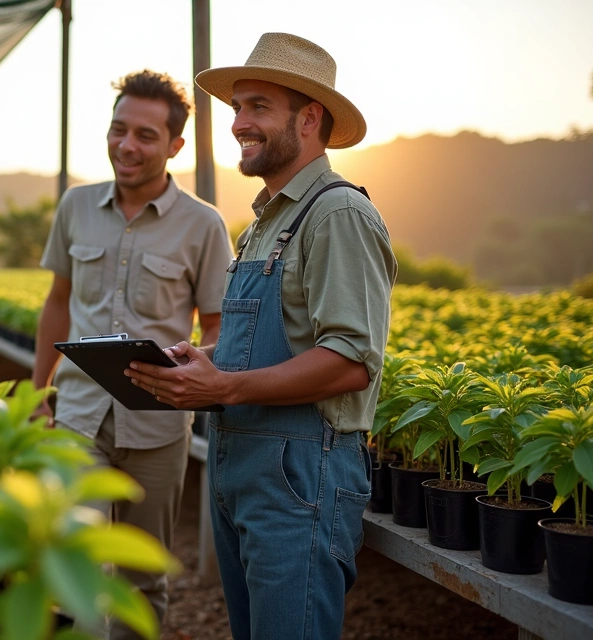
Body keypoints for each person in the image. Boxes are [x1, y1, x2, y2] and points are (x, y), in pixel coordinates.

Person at [123, 33, 398, 639]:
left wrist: (224, 384)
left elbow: (352, 361)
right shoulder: (268, 219)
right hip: (245, 462)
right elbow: (280, 341)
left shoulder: (337, 214)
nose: (238, 123)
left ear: (309, 118)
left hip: (302, 470)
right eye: (237, 108)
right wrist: (203, 360)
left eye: (257, 108)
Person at [32, 69, 232, 639]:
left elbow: (218, 327)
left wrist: (191, 363)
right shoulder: (75, 207)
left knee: (145, 579)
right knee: (81, 564)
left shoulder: (203, 224)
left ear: (174, 146)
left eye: (146, 135)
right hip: (77, 417)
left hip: (159, 428)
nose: (127, 145)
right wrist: (35, 392)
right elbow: (57, 302)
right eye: (119, 130)